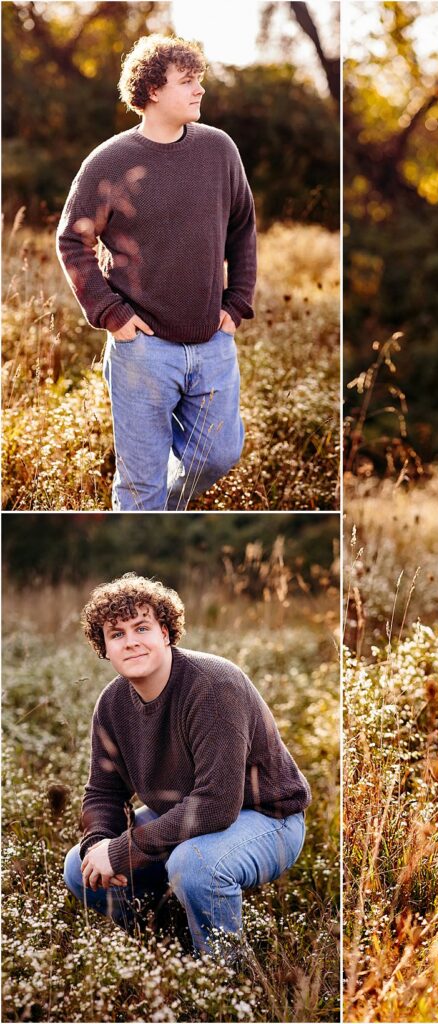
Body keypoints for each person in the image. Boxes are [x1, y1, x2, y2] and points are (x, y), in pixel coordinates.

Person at [56, 35, 256, 511]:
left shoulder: (219, 150)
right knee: (140, 487)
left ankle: (161, 508)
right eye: (187, 81)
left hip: (212, 342)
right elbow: (72, 241)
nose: (199, 90)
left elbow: (243, 226)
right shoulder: (109, 162)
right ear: (151, 91)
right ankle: (144, 513)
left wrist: (236, 302)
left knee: (221, 454)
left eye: (199, 79)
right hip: (142, 351)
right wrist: (110, 314)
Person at [62, 574, 310, 956]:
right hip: (184, 818)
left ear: (165, 632)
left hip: (268, 819)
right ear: (104, 648)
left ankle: (223, 980)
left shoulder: (212, 685)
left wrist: (123, 850)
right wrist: (99, 845)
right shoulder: (112, 705)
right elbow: (102, 793)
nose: (130, 641)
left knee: (193, 865)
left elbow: (216, 804)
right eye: (116, 634)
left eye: (141, 627)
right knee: (79, 870)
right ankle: (173, 948)